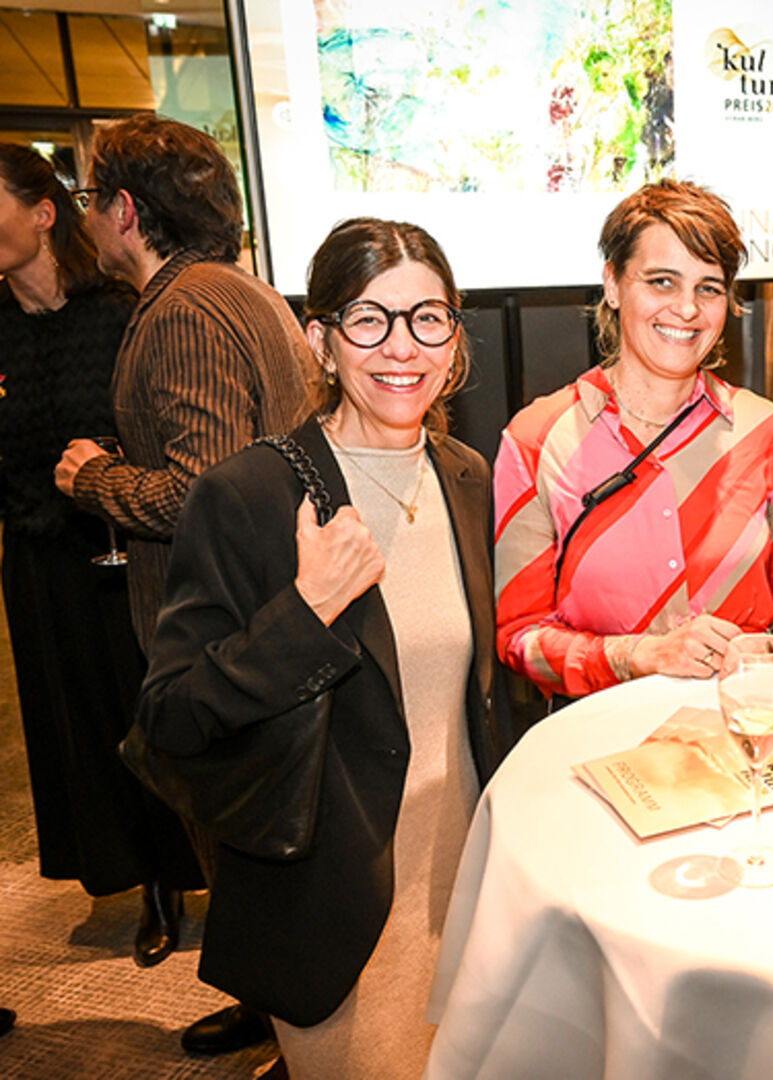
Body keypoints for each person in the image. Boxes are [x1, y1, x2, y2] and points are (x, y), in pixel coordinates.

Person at [135, 218, 512, 1079]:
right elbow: (171, 715)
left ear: (453, 338)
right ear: (321, 339)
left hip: (463, 887)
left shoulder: (463, 474)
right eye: (369, 320)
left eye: (427, 318)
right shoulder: (252, 494)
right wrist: (306, 611)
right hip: (334, 905)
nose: (401, 347)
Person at [51, 113, 308, 1056]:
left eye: (88, 199)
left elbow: (211, 485)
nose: (88, 219)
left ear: (125, 210)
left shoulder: (186, 308)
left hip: (224, 626)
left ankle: (291, 1027)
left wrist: (97, 482)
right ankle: (273, 1005)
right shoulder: (245, 295)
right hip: (269, 614)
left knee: (241, 827)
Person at [0, 144, 201, 967]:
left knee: (140, 714)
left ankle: (169, 877)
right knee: (70, 720)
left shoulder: (122, 313)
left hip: (123, 550)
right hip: (36, 557)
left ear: (43, 214)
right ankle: (122, 868)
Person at [495, 179, 773, 701]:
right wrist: (637, 654)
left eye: (708, 287)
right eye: (662, 281)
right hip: (602, 743)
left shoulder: (765, 431)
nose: (687, 309)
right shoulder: (537, 440)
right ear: (613, 285)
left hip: (746, 734)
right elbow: (520, 638)